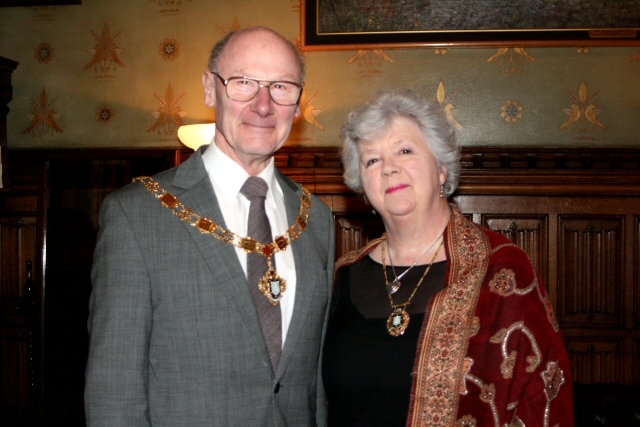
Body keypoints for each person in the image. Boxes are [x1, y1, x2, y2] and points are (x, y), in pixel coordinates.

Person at [85, 26, 335, 426]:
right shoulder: (137, 214)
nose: (263, 105)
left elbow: (313, 383)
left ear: (299, 102)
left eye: (282, 87)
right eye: (243, 83)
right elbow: (114, 389)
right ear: (209, 89)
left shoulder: (317, 219)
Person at [323, 89, 573, 426]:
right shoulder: (342, 275)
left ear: (442, 169)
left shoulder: (502, 270)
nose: (389, 169)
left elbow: (542, 399)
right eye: (372, 160)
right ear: (362, 186)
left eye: (405, 150)